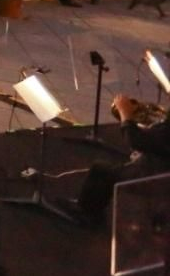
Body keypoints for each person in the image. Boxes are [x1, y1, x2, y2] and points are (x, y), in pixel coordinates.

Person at [63, 94, 170, 224]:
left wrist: (125, 112)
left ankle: (88, 213)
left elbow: (134, 140)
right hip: (161, 166)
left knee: (100, 170)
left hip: (156, 178)